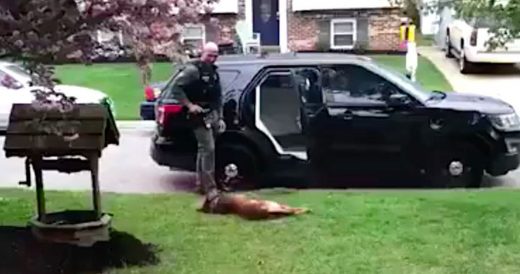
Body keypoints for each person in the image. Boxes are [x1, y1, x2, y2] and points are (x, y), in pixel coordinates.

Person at [171, 42, 226, 198]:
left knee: (205, 151)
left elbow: (218, 97)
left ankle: (201, 184)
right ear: (202, 53)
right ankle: (210, 188)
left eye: (215, 55)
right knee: (208, 149)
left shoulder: (214, 72)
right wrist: (189, 105)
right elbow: (175, 88)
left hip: (212, 115)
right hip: (197, 116)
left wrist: (220, 117)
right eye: (210, 55)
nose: (212, 58)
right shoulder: (192, 71)